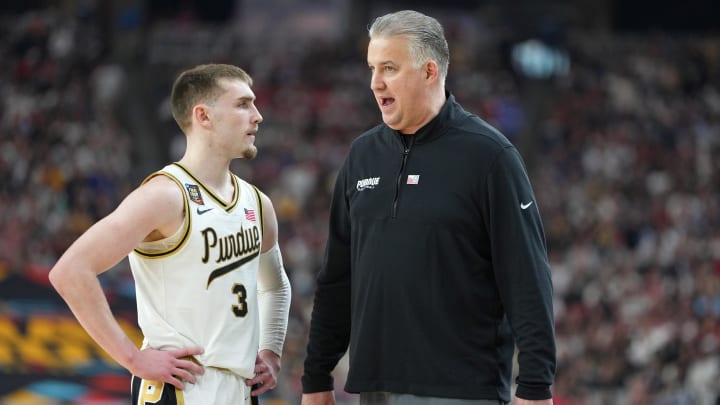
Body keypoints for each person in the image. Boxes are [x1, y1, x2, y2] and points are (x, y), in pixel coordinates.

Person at [301, 10, 555, 405]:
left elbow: (527, 278)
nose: (375, 82)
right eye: (372, 68)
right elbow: (337, 278)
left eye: (389, 67)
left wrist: (536, 387)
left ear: (429, 72)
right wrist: (316, 376)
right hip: (375, 387)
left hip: (462, 390)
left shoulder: (490, 156)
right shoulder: (362, 155)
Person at [49, 63, 291, 405]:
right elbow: (70, 271)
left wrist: (272, 350)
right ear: (203, 116)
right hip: (181, 387)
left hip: (240, 389)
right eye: (242, 104)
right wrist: (132, 358)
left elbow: (275, 285)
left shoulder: (258, 203)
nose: (257, 116)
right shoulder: (165, 195)